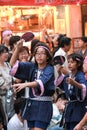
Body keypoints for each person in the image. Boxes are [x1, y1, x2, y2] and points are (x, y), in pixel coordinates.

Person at [10, 39, 55, 130]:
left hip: (44, 105)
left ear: (47, 56)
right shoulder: (31, 66)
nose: (39, 56)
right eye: (37, 53)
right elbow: (12, 64)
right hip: (32, 104)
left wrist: (25, 85)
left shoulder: (49, 69)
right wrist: (17, 49)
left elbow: (40, 82)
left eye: (42, 53)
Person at [54, 53, 87, 130]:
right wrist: (59, 73)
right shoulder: (68, 76)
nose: (69, 64)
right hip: (70, 107)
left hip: (78, 107)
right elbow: (59, 84)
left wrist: (74, 83)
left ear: (78, 64)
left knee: (75, 126)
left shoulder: (80, 75)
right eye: (68, 62)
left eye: (72, 62)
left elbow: (84, 88)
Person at [0, 45, 15, 129]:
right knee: (4, 116)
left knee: (11, 115)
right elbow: (2, 84)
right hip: (2, 97)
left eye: (6, 52)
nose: (6, 54)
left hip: (11, 95)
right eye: (3, 52)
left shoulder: (7, 64)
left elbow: (12, 77)